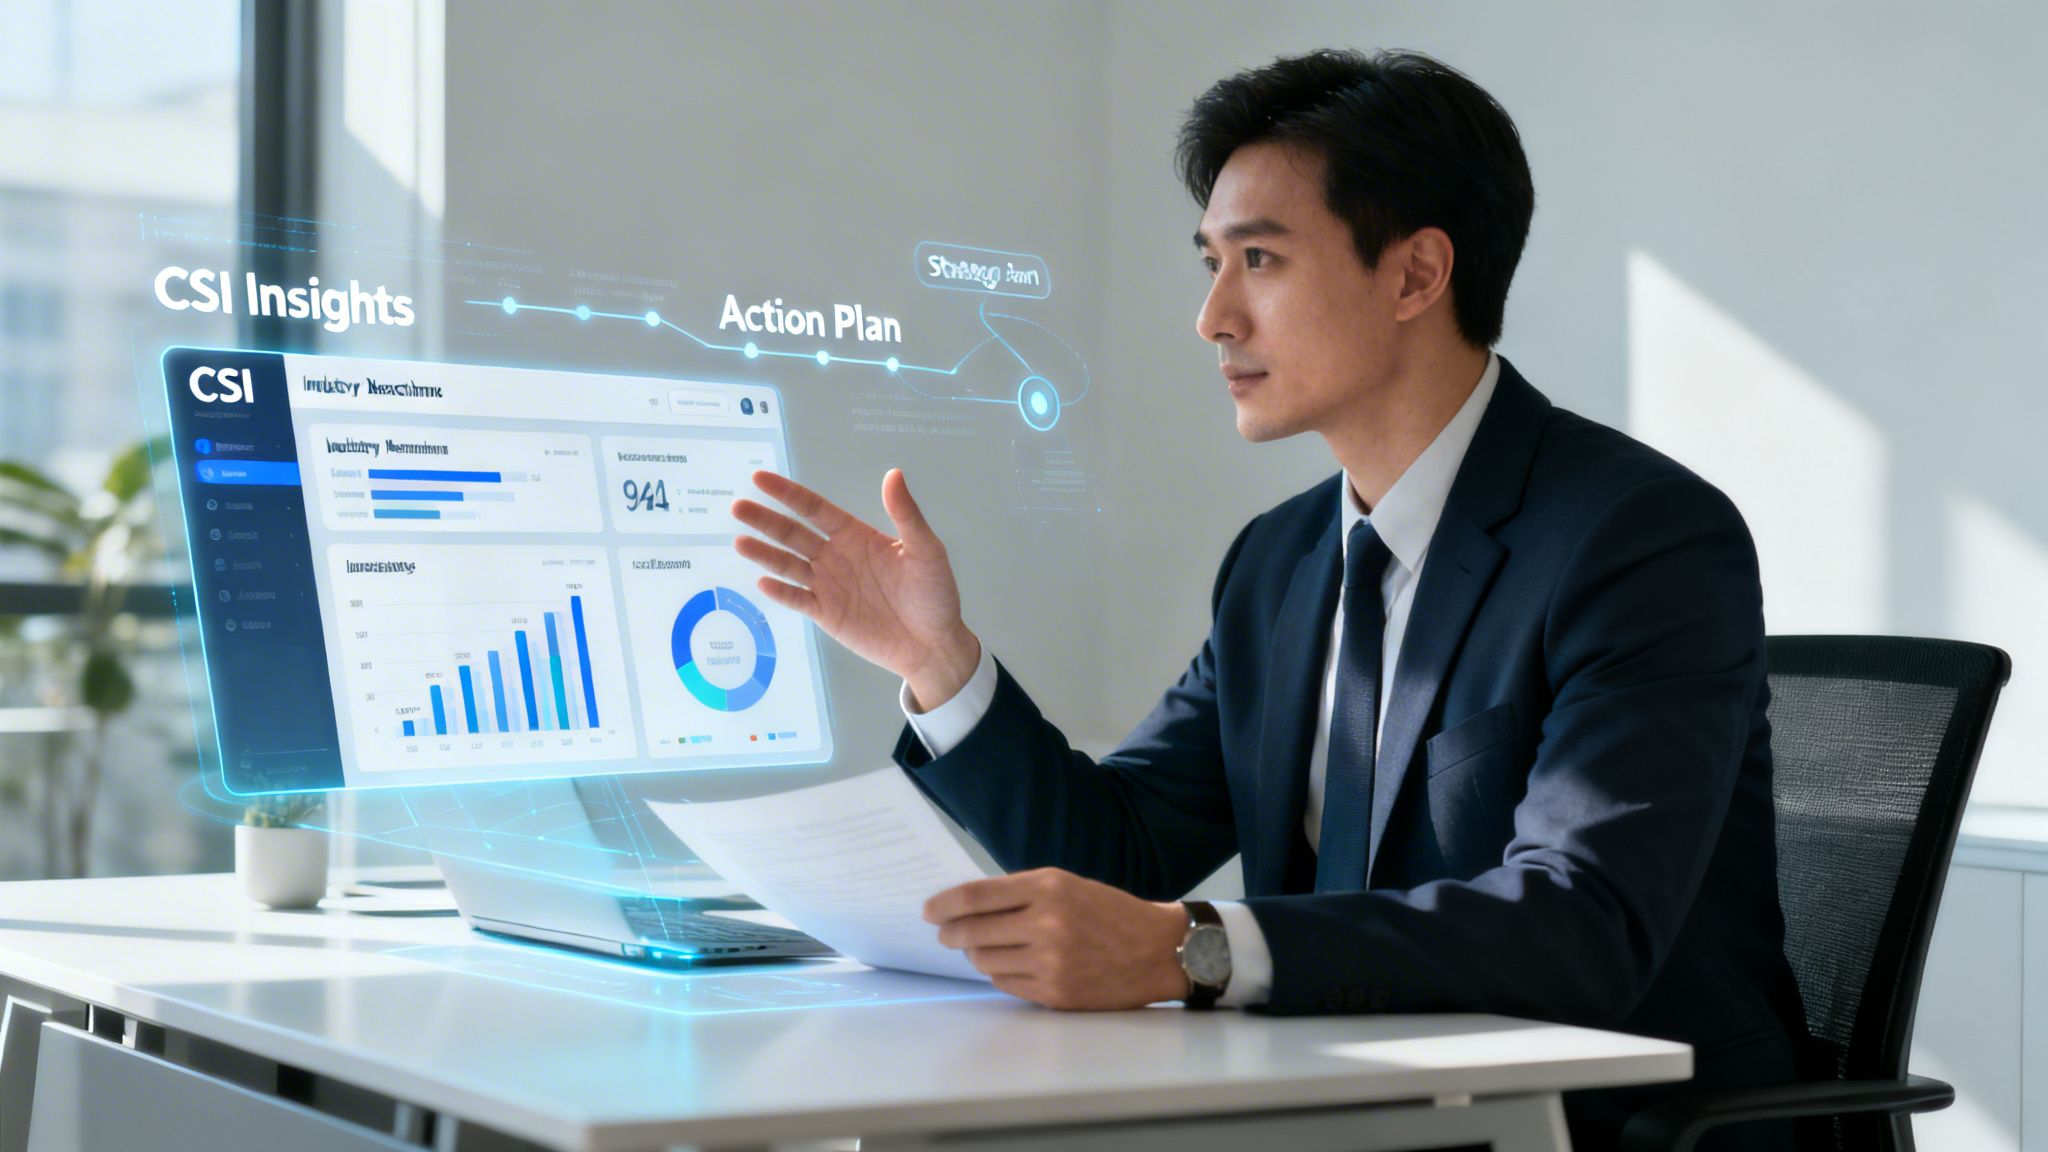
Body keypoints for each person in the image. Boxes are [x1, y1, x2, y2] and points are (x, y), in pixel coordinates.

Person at [731, 49, 1806, 1152]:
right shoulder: (1276, 562)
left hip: (1601, 1129)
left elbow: (1580, 924)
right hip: (1335, 1103)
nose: (1210, 317)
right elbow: (1120, 854)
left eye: (1258, 259)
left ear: (1413, 276)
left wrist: (1186, 949)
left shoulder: (1637, 537)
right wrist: (940, 662)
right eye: (1210, 261)